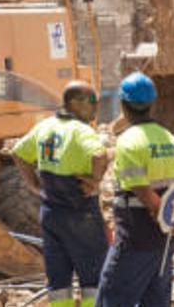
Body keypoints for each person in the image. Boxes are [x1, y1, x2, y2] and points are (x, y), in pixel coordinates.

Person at [96, 72, 174, 307]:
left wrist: (159, 211)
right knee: (156, 299)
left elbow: (140, 188)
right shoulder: (171, 140)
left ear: (123, 104)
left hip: (136, 235)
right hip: (166, 237)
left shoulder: (129, 141)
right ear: (152, 104)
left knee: (112, 297)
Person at [12, 80, 110, 307]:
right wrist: (94, 181)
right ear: (75, 103)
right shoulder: (81, 131)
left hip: (51, 215)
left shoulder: (45, 127)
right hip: (81, 215)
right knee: (93, 279)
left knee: (58, 283)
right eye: (92, 101)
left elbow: (18, 154)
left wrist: (35, 185)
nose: (96, 107)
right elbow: (99, 155)